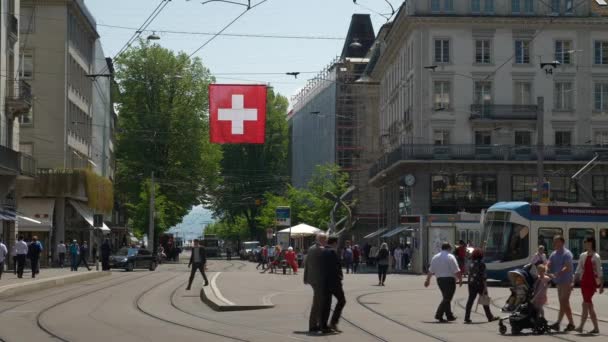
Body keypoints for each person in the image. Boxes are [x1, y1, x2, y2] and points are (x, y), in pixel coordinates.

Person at [573, 237, 604, 334]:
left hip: (591, 283)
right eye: (584, 243)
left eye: (586, 243)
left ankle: (581, 326)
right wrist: (573, 281)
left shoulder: (596, 257)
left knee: (585, 304)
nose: (585, 244)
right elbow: (578, 269)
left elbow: (600, 272)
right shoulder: (583, 255)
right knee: (589, 306)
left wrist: (601, 286)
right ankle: (596, 328)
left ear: (591, 244)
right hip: (584, 282)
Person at [424, 242, 462, 322]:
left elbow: (431, 271)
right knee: (448, 298)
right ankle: (439, 314)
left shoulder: (435, 257)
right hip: (449, 280)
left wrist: (427, 280)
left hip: (440, 280)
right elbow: (456, 270)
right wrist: (460, 279)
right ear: (448, 248)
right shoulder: (450, 257)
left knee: (446, 297)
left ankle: (449, 315)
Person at [547, 235, 575, 332]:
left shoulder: (567, 253)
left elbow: (567, 267)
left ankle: (570, 323)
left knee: (564, 302)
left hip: (567, 281)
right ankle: (561, 323)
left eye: (556, 241)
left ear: (562, 242)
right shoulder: (553, 253)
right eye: (554, 241)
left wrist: (559, 272)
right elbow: (549, 263)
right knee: (563, 303)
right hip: (558, 282)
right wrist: (546, 269)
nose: (554, 243)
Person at [464, 249, 498, 323]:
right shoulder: (482, 264)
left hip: (471, 283)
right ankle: (490, 317)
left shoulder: (471, 263)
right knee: (484, 300)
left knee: (470, 300)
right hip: (480, 284)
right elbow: (483, 276)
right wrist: (485, 287)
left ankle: (467, 317)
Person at [320, 236, 345, 334]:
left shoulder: (323, 252)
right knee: (342, 301)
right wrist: (340, 278)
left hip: (324, 281)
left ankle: (324, 326)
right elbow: (336, 268)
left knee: (326, 304)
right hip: (334, 282)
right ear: (334, 243)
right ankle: (333, 322)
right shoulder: (332, 252)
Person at [303, 233, 327, 334]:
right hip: (318, 280)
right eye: (325, 239)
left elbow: (306, 263)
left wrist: (305, 277)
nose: (326, 241)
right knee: (318, 302)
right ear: (322, 239)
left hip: (312, 278)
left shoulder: (311, 248)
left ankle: (316, 323)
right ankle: (313, 325)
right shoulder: (320, 249)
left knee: (318, 301)